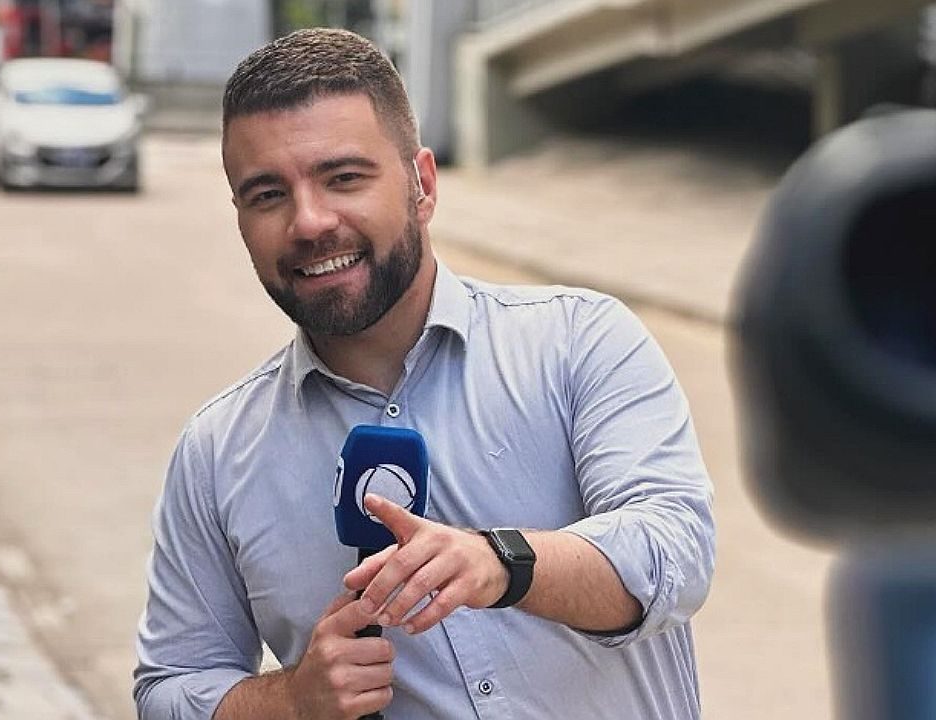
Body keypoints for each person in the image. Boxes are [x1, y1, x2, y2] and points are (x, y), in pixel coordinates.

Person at [133, 27, 716, 720]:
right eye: (267, 195)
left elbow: (674, 549)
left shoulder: (579, 340)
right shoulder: (216, 454)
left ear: (423, 185)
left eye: (343, 178)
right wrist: (290, 701)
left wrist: (501, 563)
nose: (310, 222)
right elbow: (169, 686)